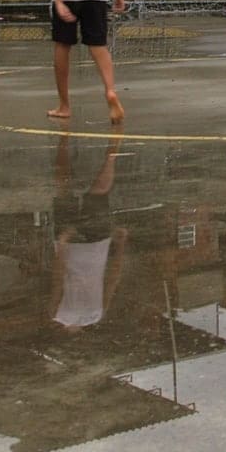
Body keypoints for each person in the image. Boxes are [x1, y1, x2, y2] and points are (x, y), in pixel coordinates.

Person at [50, 132, 127, 331]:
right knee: (63, 190)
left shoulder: (97, 315)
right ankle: (64, 138)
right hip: (70, 247)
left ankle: (111, 156)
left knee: (99, 193)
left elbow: (113, 277)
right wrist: (63, 245)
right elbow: (58, 278)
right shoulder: (58, 315)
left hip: (97, 246)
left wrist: (120, 245)